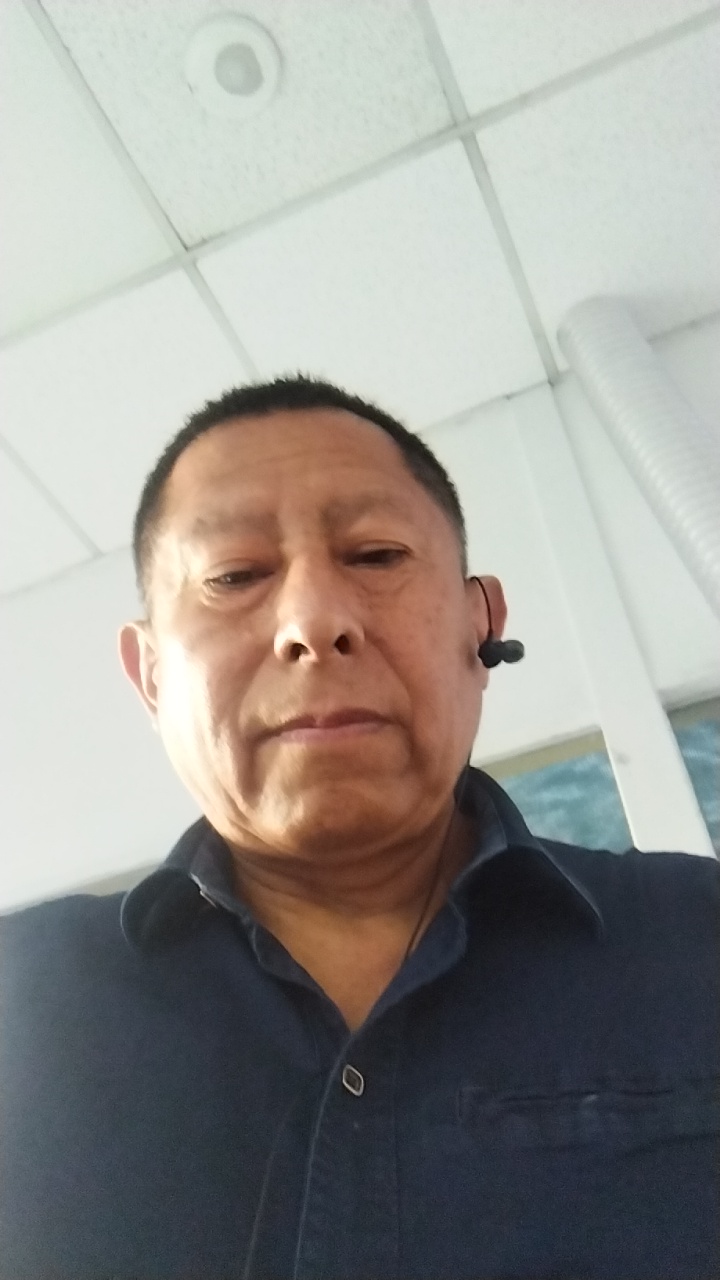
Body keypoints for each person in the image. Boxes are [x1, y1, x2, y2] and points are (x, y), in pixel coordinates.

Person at [1, 375, 717, 1280]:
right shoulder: (19, 1003)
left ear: (482, 625)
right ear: (150, 676)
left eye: (376, 556)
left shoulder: (700, 936)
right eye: (234, 575)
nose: (313, 621)